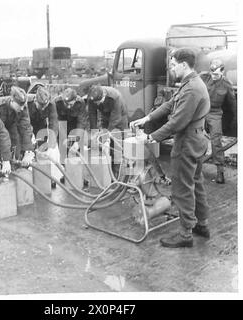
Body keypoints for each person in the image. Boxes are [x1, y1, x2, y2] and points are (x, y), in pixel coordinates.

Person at [130, 48, 210, 248]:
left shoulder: (191, 89)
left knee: (182, 189)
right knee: (196, 184)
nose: (172, 69)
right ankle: (202, 225)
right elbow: (170, 104)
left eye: (173, 65)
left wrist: (149, 137)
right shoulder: (190, 83)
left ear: (184, 65)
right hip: (197, 140)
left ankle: (185, 235)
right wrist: (147, 118)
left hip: (187, 143)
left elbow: (177, 123)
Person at [200, 59, 237, 184]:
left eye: (216, 74)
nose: (214, 76)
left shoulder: (227, 84)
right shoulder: (203, 77)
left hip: (215, 113)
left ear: (222, 71)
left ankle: (220, 172)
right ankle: (192, 167)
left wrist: (232, 123)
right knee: (192, 136)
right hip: (200, 111)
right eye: (212, 73)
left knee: (216, 141)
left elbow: (232, 105)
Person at [88, 85, 128, 177]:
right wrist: (94, 132)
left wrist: (107, 134)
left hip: (120, 118)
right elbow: (92, 114)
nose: (97, 104)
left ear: (104, 95)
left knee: (116, 144)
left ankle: (116, 172)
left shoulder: (115, 97)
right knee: (103, 144)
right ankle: (106, 170)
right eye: (95, 103)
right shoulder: (91, 97)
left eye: (99, 102)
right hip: (106, 116)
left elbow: (116, 118)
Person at [0, 86, 34, 164]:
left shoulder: (23, 106)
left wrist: (28, 151)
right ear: (12, 101)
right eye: (20, 106)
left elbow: (25, 128)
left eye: (23, 106)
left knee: (16, 145)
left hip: (11, 125)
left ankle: (15, 164)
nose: (22, 109)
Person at [27, 86, 59, 188]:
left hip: (41, 124)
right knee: (26, 151)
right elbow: (24, 125)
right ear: (35, 100)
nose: (44, 108)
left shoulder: (51, 104)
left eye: (45, 106)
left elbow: (53, 123)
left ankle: (44, 177)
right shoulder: (27, 103)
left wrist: (52, 142)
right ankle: (27, 179)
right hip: (28, 123)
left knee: (43, 150)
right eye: (41, 106)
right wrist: (29, 141)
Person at [54, 87, 88, 155]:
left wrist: (77, 141)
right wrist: (64, 138)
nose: (68, 107)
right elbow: (56, 121)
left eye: (71, 104)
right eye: (66, 104)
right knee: (62, 151)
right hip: (62, 127)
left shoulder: (80, 103)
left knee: (78, 150)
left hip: (75, 127)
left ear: (75, 100)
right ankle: (62, 164)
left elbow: (81, 123)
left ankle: (79, 164)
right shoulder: (57, 102)